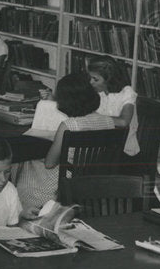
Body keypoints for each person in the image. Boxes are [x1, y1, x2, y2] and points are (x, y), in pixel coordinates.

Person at [13, 71, 117, 215]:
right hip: (91, 182)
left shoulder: (69, 125)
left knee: (23, 162)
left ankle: (21, 208)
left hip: (63, 185)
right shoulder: (109, 122)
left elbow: (50, 163)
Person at [87, 55, 139, 157]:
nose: (91, 82)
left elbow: (123, 121)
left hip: (124, 152)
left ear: (108, 79)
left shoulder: (127, 93)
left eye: (95, 79)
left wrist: (96, 117)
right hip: (103, 148)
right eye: (90, 78)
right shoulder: (98, 93)